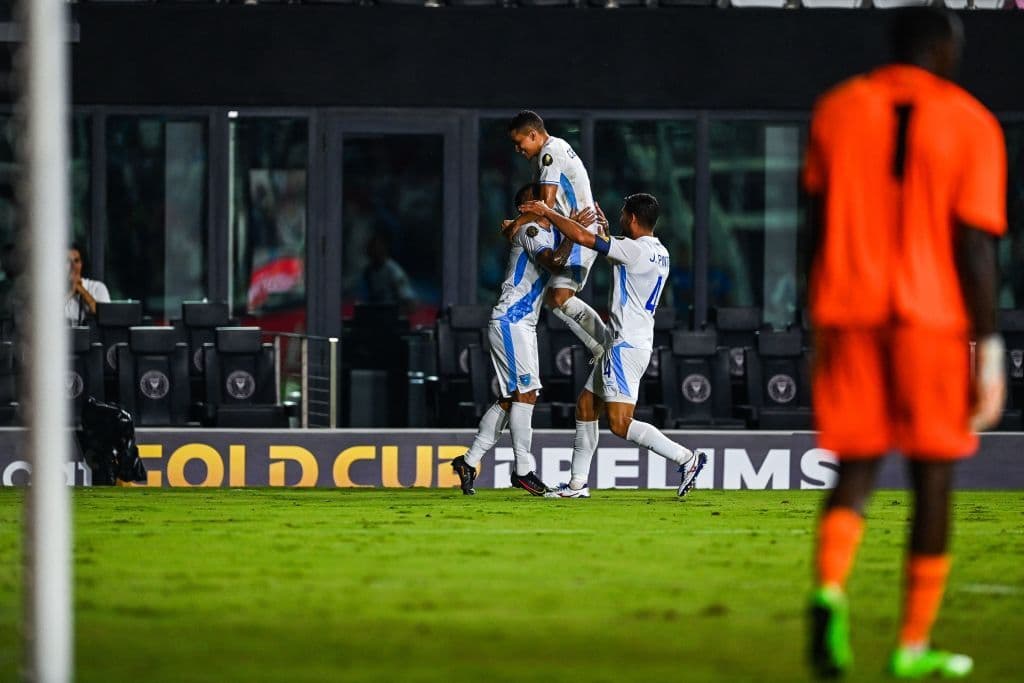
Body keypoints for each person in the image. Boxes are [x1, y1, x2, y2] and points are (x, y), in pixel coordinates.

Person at [802, 8, 1006, 679]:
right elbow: (975, 247)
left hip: (850, 310)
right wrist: (991, 346)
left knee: (856, 466)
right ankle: (911, 645)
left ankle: (829, 589)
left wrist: (817, 316)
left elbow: (814, 226)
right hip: (931, 319)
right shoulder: (972, 122)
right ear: (944, 48)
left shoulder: (835, 110)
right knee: (933, 476)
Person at [519, 194, 706, 499]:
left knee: (620, 424)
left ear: (632, 217)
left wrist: (546, 212)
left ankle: (686, 459)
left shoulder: (633, 250)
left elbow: (581, 237)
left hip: (624, 346)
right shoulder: (660, 251)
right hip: (635, 342)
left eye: (622, 213)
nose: (620, 217)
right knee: (586, 406)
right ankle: (577, 484)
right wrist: (605, 233)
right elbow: (617, 253)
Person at [450, 183, 575, 497]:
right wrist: (573, 233)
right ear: (531, 205)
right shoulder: (530, 231)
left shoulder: (544, 230)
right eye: (546, 198)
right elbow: (555, 262)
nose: (553, 201)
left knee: (513, 399)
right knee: (526, 392)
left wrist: (589, 226)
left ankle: (468, 462)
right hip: (511, 320)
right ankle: (523, 470)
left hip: (524, 323)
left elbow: (574, 245)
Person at [507, 111, 607, 362]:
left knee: (560, 296)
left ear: (533, 134)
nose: (518, 149)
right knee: (556, 298)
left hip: (579, 228)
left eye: (519, 143)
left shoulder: (549, 154)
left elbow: (546, 205)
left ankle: (607, 346)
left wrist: (516, 224)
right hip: (575, 228)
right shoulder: (552, 151)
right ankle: (601, 348)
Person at [363, 232, 415, 315]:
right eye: (370, 248)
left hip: (392, 316)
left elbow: (410, 304)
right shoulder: (368, 271)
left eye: (376, 248)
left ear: (384, 249)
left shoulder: (394, 271)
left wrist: (394, 314)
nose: (373, 251)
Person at [66, 242, 110, 326]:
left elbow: (106, 317)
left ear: (82, 264)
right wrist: (70, 292)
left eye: (76, 261)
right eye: (68, 261)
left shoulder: (98, 287)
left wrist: (81, 290)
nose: (73, 266)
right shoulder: (52, 289)